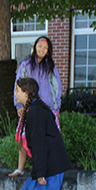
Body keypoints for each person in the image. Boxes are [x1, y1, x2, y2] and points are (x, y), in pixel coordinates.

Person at [12, 76, 71, 190]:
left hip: (52, 165)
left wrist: (41, 172)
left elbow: (40, 145)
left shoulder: (36, 112)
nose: (15, 94)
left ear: (27, 93)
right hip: (44, 163)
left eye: (17, 91)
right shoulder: (32, 110)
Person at [9, 35, 62, 177]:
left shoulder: (50, 67)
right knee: (22, 137)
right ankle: (20, 169)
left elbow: (56, 86)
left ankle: (48, 170)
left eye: (45, 48)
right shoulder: (26, 65)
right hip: (28, 107)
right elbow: (18, 84)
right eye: (40, 46)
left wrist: (56, 108)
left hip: (47, 108)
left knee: (47, 140)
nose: (42, 49)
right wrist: (19, 105)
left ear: (48, 51)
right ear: (35, 47)